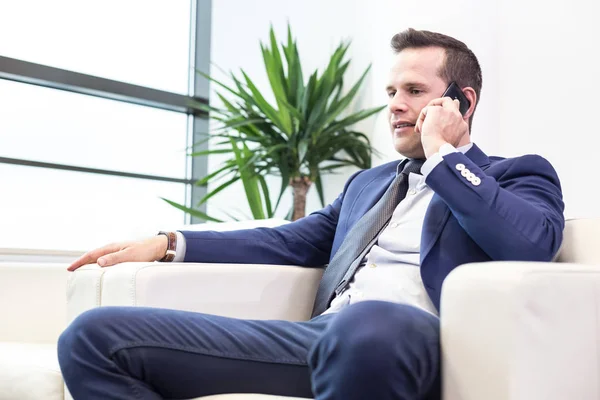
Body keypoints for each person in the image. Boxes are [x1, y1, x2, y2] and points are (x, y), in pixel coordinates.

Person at [57, 28, 565, 400]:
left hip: (410, 341)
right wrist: (168, 243)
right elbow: (285, 241)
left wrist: (443, 158)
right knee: (94, 337)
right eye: (391, 93)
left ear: (463, 102)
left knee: (370, 325)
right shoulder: (368, 185)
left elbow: (529, 243)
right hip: (320, 338)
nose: (395, 106)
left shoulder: (517, 175)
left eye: (414, 92)